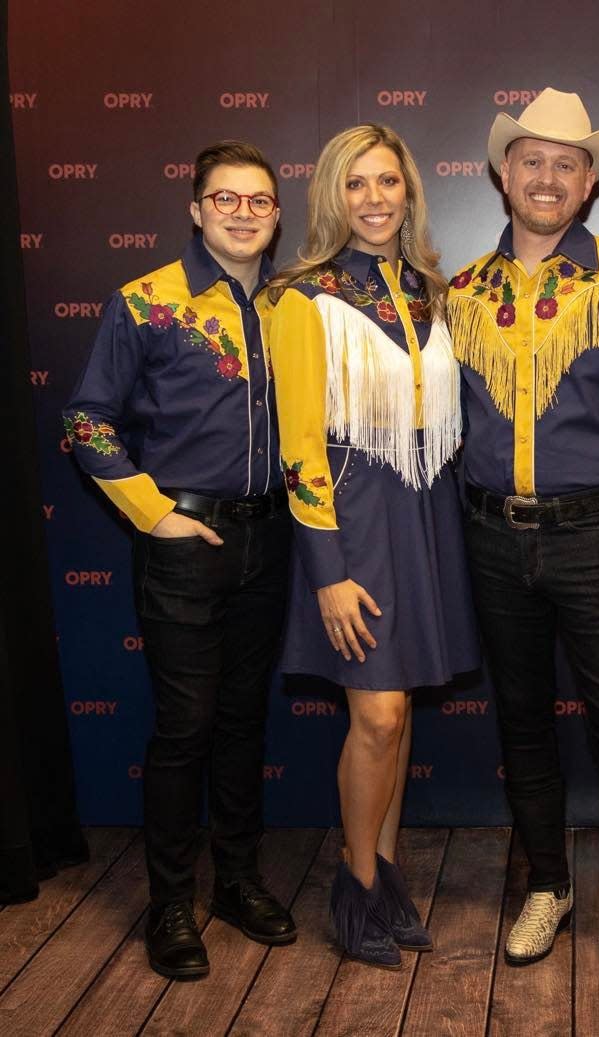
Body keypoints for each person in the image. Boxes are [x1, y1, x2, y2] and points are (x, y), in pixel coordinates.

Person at [447, 88, 599, 1003]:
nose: (547, 178)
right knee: (522, 722)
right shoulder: (461, 291)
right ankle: (545, 884)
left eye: (567, 164)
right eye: (531, 160)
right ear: (505, 174)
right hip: (491, 536)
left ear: (592, 182)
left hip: (597, 539)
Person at [63, 142, 296, 979]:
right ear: (196, 210)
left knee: (242, 722)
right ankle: (169, 900)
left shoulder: (293, 304)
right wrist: (152, 513)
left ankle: (236, 881)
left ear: (277, 214)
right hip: (184, 545)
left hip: (273, 540)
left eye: (258, 200)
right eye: (224, 199)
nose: (242, 212)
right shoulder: (147, 301)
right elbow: (87, 422)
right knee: (184, 726)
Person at [267, 124, 478, 969]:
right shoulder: (302, 296)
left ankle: (387, 876)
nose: (375, 199)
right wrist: (328, 575)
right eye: (356, 184)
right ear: (331, 196)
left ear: (409, 191)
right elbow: (299, 449)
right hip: (352, 524)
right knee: (379, 711)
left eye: (388, 181)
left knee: (402, 710)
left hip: (427, 512)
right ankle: (354, 890)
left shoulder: (431, 289)